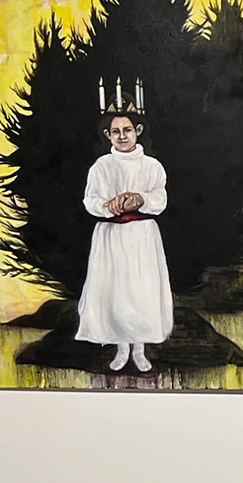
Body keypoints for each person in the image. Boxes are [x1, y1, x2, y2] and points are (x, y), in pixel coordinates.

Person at [76, 86, 173, 373]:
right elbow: (90, 201)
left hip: (141, 237)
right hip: (111, 237)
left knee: (140, 290)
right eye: (116, 131)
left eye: (127, 130)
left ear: (138, 130)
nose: (122, 136)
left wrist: (140, 199)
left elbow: (160, 198)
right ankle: (120, 348)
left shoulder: (152, 166)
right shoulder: (101, 167)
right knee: (115, 291)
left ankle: (140, 348)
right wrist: (110, 205)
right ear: (108, 135)